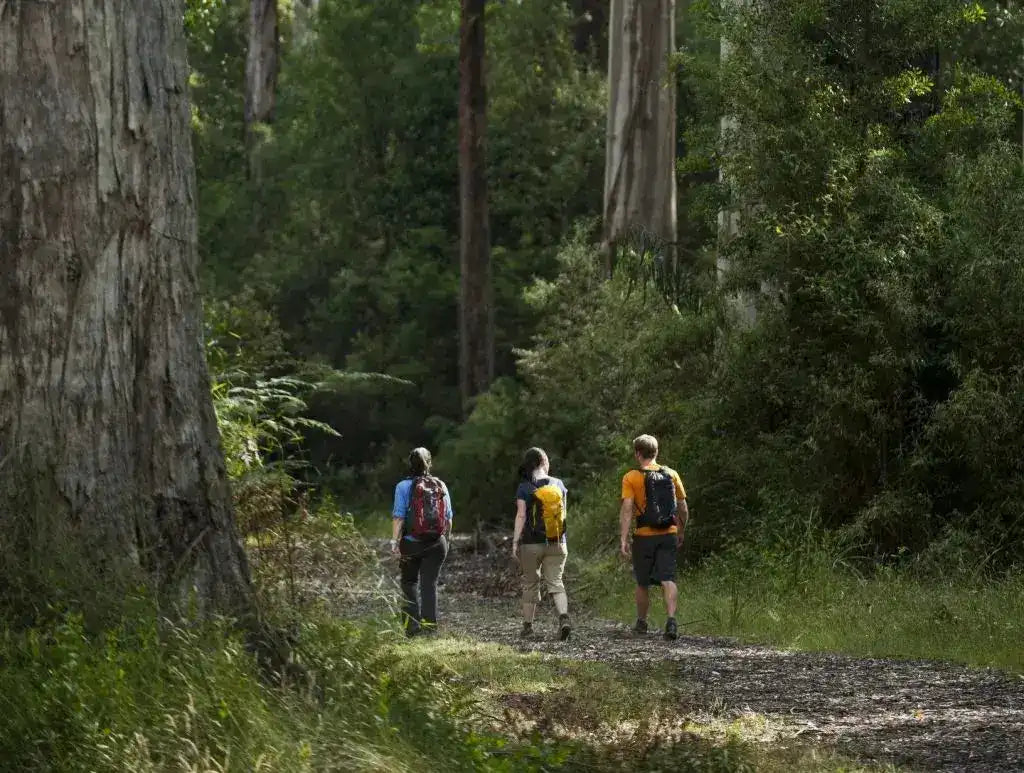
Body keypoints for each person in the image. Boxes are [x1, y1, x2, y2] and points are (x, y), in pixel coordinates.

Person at [619, 434, 688, 640]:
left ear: (637, 454)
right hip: (668, 533)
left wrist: (623, 539)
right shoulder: (672, 474)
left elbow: (627, 508)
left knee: (642, 582)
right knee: (668, 578)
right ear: (656, 452)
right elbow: (683, 507)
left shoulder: (631, 477)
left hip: (643, 535)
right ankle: (672, 621)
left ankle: (641, 622)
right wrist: (681, 530)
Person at [391, 447, 453, 636]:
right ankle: (429, 628)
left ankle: (411, 627)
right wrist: (446, 540)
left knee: (409, 582)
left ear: (410, 464)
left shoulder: (402, 486)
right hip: (437, 542)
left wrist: (394, 542)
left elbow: (399, 517)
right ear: (430, 463)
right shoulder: (440, 484)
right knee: (429, 583)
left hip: (411, 542)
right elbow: (449, 518)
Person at [511, 447, 571, 641]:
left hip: (531, 544)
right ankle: (564, 619)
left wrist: (514, 542)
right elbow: (563, 515)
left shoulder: (524, 487)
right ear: (544, 462)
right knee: (556, 582)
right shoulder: (559, 484)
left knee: (530, 583)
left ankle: (528, 628)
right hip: (557, 541)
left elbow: (521, 515)